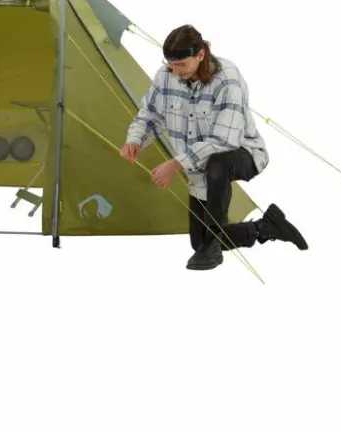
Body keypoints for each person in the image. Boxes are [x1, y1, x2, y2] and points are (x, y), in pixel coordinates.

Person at [119, 24, 308, 270]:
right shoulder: (167, 76)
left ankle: (212, 250)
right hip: (198, 167)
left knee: (218, 165)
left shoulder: (228, 79)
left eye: (181, 65)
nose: (175, 72)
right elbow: (150, 115)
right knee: (199, 242)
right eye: (171, 65)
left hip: (242, 152)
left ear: (201, 54)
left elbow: (224, 140)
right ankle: (266, 227)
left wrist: (174, 165)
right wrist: (135, 140)